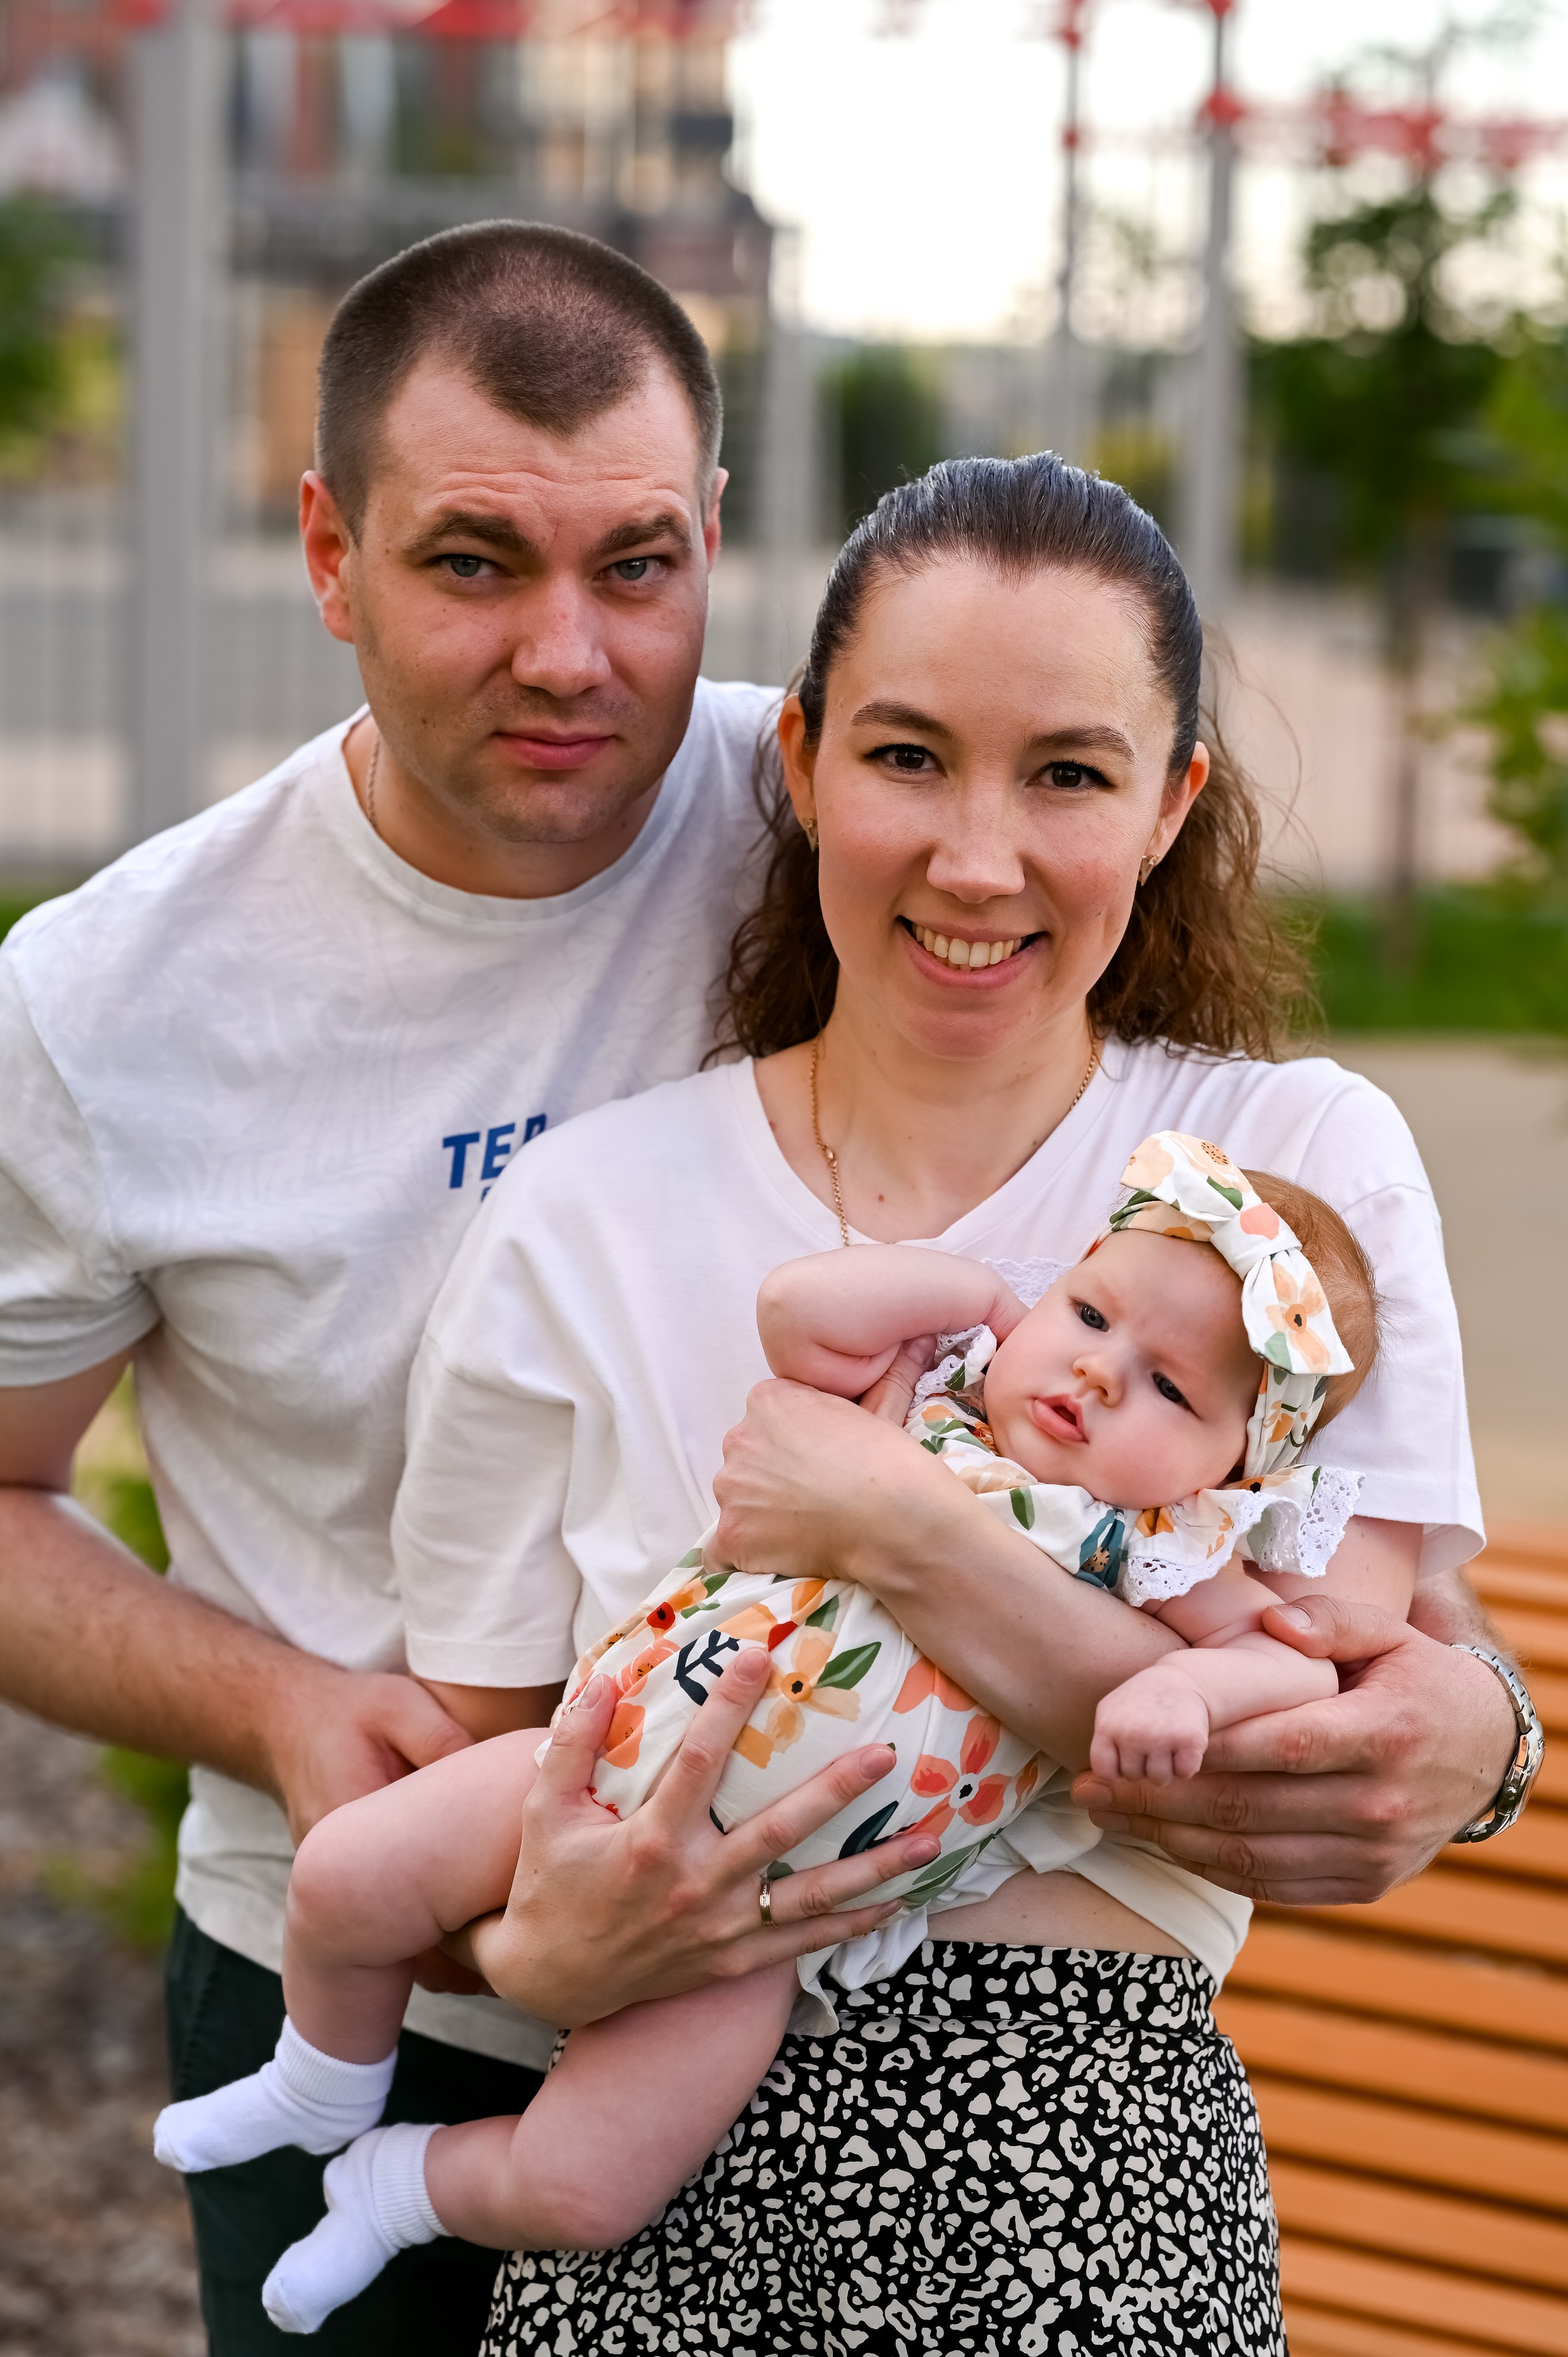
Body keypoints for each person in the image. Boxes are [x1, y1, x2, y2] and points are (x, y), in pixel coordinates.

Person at [388, 454, 1531, 2356]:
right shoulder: (587, 1212)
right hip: (645, 2169)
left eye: (1069, 774)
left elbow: (1319, 1739)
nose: (978, 859)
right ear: (804, 760)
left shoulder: (1287, 1176)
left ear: (1171, 807)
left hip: (1082, 2202)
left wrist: (895, 1524)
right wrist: (530, 1950)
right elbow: (486, 1783)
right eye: (909, 756)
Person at [0, 221, 927, 2355]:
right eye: (473, 560)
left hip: (843, 1989)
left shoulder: (864, 839)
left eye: (635, 565)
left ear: (713, 536)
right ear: (329, 553)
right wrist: (282, 1712)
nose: (572, 651)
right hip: (365, 1994)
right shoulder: (110, 998)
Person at [149, 1129, 1391, 2340]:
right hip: (600, 1750)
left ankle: (397, 2188)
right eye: (1087, 1313)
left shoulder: (1155, 1549)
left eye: (1170, 1387)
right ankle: (318, 2080)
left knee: (581, 2187)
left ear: (1234, 1467)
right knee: (344, 1873)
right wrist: (973, 1292)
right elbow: (799, 1310)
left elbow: (1292, 1667)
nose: (1101, 1372)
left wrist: (1186, 1692)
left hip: (763, 1917)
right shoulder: (934, 1398)